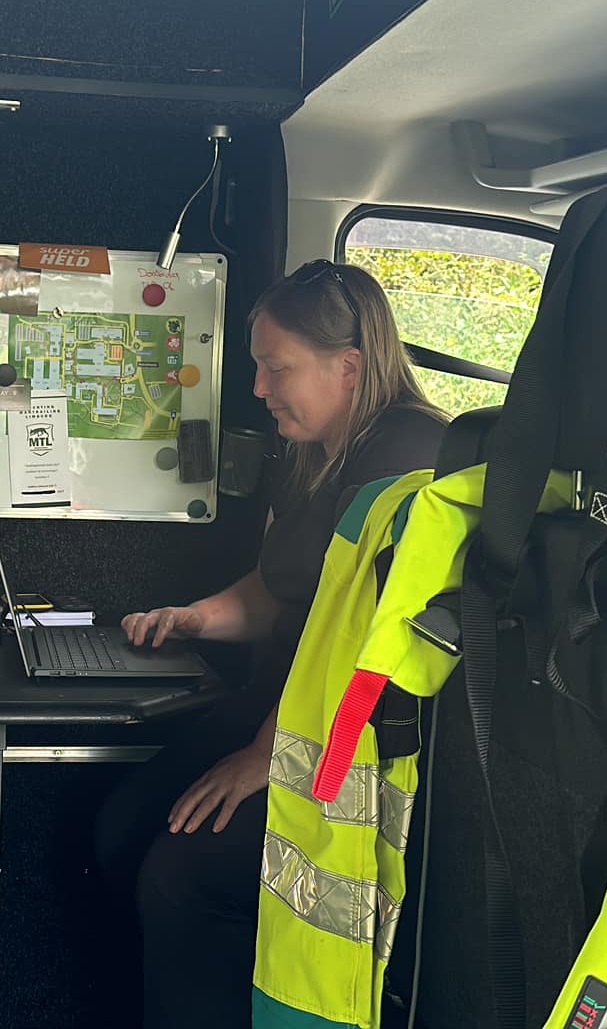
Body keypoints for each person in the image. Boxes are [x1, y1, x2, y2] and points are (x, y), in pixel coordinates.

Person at [97, 260, 449, 1029]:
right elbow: (277, 588)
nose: (258, 389)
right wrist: (193, 617)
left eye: (273, 367)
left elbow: (380, 653)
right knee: (120, 827)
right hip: (283, 704)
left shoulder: (411, 465)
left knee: (184, 876)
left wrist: (268, 754)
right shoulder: (322, 451)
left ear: (347, 368)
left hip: (348, 740)